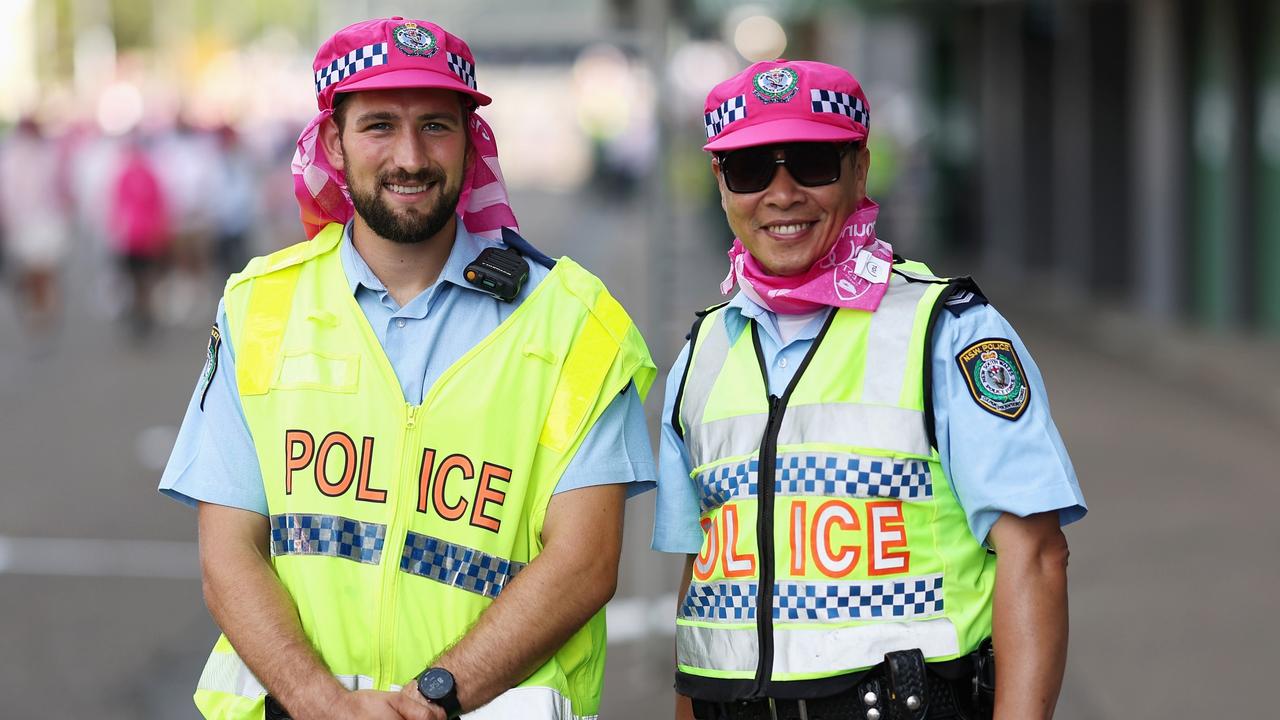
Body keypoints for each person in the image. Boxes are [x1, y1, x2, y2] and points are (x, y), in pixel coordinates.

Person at [159, 17, 656, 720]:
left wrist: (433, 699)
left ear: (470, 139)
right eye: (379, 126)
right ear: (333, 141)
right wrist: (321, 703)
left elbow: (584, 564)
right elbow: (229, 553)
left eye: (435, 126)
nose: (411, 156)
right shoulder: (258, 306)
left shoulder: (574, 322)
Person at [652, 60, 1087, 720]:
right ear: (721, 185)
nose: (782, 192)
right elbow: (703, 588)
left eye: (811, 163)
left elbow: (1036, 557)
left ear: (859, 169)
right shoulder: (700, 355)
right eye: (749, 170)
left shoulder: (948, 334)